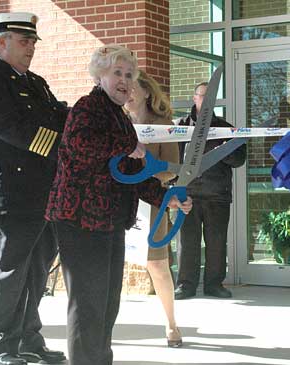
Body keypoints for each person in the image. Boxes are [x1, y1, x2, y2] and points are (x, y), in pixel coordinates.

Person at [45, 45, 192, 365]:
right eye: (117, 73)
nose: (124, 80)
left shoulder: (119, 117)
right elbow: (81, 145)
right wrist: (127, 145)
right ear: (100, 76)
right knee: (88, 304)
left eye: (129, 75)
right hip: (80, 220)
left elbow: (132, 174)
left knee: (108, 303)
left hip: (109, 221)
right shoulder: (86, 108)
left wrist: (168, 199)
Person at [0, 12, 68, 365]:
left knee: (38, 273)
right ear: (1, 43)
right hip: (12, 193)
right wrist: (68, 147)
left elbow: (60, 116)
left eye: (32, 42)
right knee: (11, 272)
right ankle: (3, 347)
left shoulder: (37, 83)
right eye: (23, 42)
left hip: (45, 192)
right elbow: (16, 131)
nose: (30, 48)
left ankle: (29, 340)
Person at [124, 70, 183, 347]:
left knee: (157, 264)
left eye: (133, 87)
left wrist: (147, 167)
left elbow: (171, 171)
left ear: (147, 92)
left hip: (152, 201)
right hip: (117, 201)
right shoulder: (116, 123)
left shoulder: (164, 125)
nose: (128, 92)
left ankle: (171, 323)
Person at [174, 82, 247, 300]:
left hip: (218, 195)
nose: (205, 100)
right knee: (187, 243)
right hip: (187, 195)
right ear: (194, 98)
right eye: (201, 96)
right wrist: (171, 189)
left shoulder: (226, 128)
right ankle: (186, 285)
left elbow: (239, 160)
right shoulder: (180, 127)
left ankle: (214, 284)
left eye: (210, 97)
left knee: (216, 243)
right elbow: (169, 159)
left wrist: (223, 148)